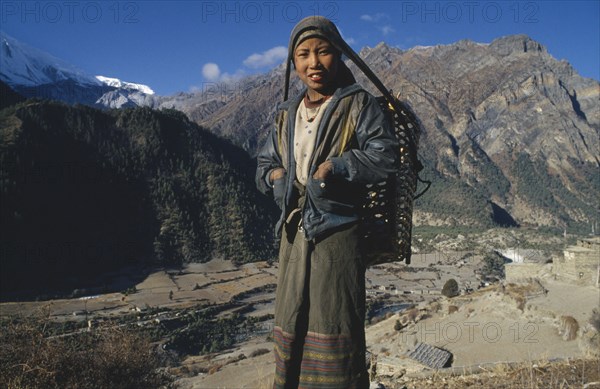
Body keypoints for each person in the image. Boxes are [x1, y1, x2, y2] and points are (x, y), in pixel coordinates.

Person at [256, 15, 399, 388]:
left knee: (334, 318)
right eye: (303, 54)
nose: (313, 63)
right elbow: (265, 163)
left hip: (338, 233)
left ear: (339, 55)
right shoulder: (286, 114)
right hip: (294, 234)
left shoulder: (358, 105)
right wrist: (276, 177)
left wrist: (336, 167)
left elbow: (385, 157)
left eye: (323, 52)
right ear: (293, 62)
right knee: (291, 318)